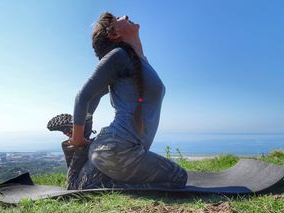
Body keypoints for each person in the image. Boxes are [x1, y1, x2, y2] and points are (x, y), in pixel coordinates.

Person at [59, 12, 188, 190]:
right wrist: (79, 138)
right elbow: (83, 96)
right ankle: (85, 154)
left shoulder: (138, 61)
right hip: (117, 150)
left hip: (114, 150)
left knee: (78, 185)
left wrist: (84, 125)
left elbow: (94, 96)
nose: (125, 16)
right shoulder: (118, 55)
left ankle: (85, 169)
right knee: (178, 177)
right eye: (117, 18)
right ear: (114, 35)